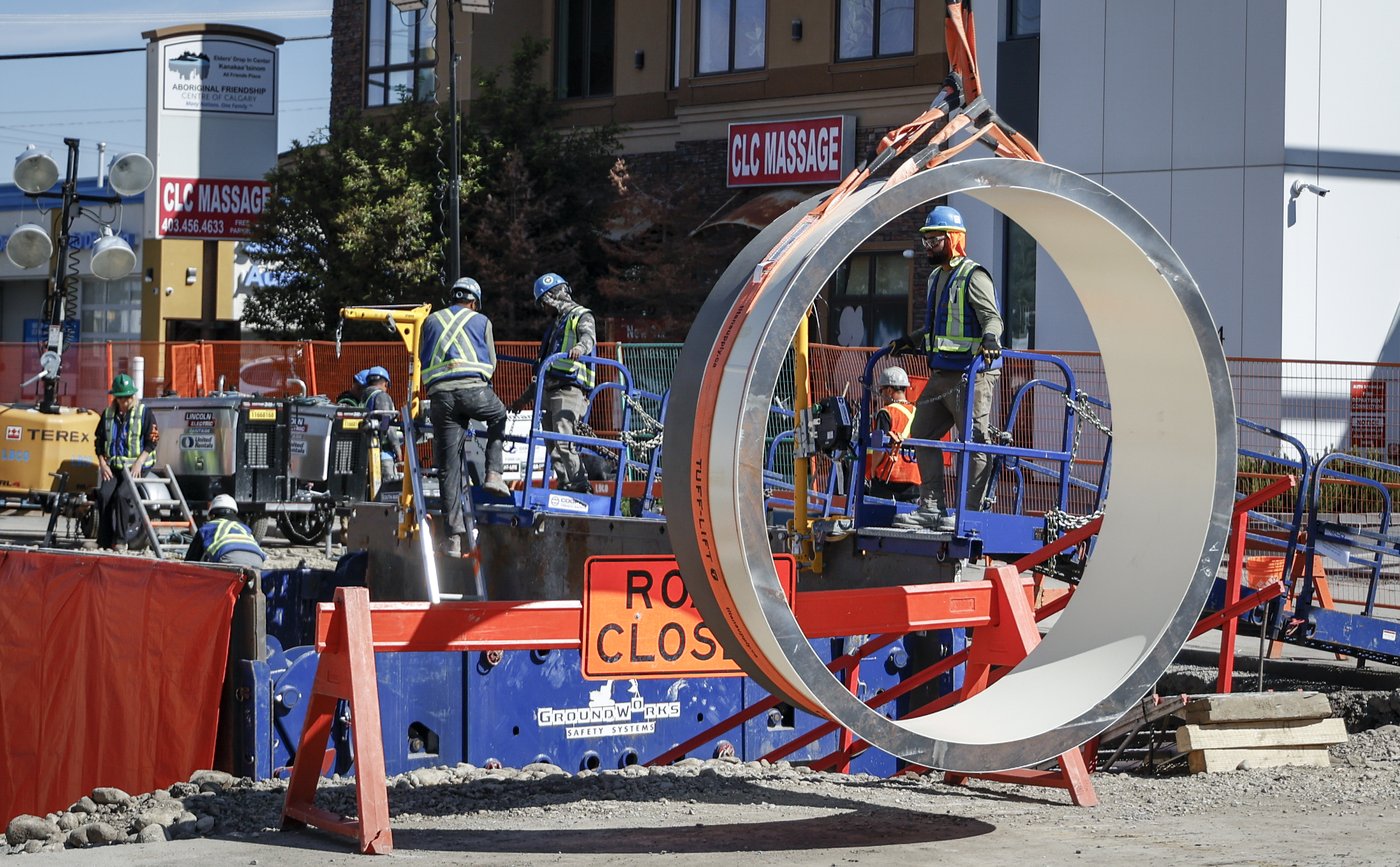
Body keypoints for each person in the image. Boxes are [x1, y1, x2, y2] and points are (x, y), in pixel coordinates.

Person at [889, 205, 1003, 531]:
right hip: (941, 376)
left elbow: (991, 318)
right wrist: (909, 340)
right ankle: (933, 509)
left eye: (934, 238)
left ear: (953, 239)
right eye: (925, 239)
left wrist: (991, 338)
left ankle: (970, 515)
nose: (928, 245)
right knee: (921, 433)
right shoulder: (937, 277)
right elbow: (937, 329)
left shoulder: (973, 275)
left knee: (974, 440)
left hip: (971, 375)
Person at [419, 276, 510, 557]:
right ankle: (493, 474)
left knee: (449, 467)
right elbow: (491, 364)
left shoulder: (431, 321)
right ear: (474, 302)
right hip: (473, 390)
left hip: (440, 397)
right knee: (498, 416)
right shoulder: (481, 321)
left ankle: (454, 539)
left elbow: (423, 357)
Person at [533, 272, 595, 494]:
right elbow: (544, 363)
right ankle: (565, 483)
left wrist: (580, 348)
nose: (544, 309)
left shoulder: (581, 315)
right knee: (551, 443)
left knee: (563, 437)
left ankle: (579, 484)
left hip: (569, 388)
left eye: (544, 303)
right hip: (549, 388)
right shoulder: (555, 324)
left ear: (552, 297)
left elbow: (588, 338)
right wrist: (524, 397)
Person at [93, 373, 159, 550]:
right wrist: (103, 464)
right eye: (122, 398)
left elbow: (152, 440)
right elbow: (99, 442)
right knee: (104, 495)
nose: (125, 402)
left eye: (128, 398)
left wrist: (139, 462)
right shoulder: (107, 414)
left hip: (137, 466)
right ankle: (104, 540)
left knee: (122, 496)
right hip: (114, 466)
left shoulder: (144, 413)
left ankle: (121, 540)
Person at [866, 365, 920, 503]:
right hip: (913, 477)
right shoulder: (916, 412)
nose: (881, 393)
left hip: (888, 477)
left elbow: (880, 447)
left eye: (881, 390)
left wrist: (873, 469)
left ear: (889, 390)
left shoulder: (886, 412)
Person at [184, 494, 266, 568]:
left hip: (228, 559)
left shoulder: (207, 528)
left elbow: (190, 562)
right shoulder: (244, 528)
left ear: (212, 515)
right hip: (257, 560)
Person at [360, 365, 403, 483]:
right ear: (385, 383)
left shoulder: (364, 399)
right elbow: (386, 424)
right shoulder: (382, 396)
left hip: (365, 452)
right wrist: (397, 449)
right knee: (388, 488)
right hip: (383, 454)